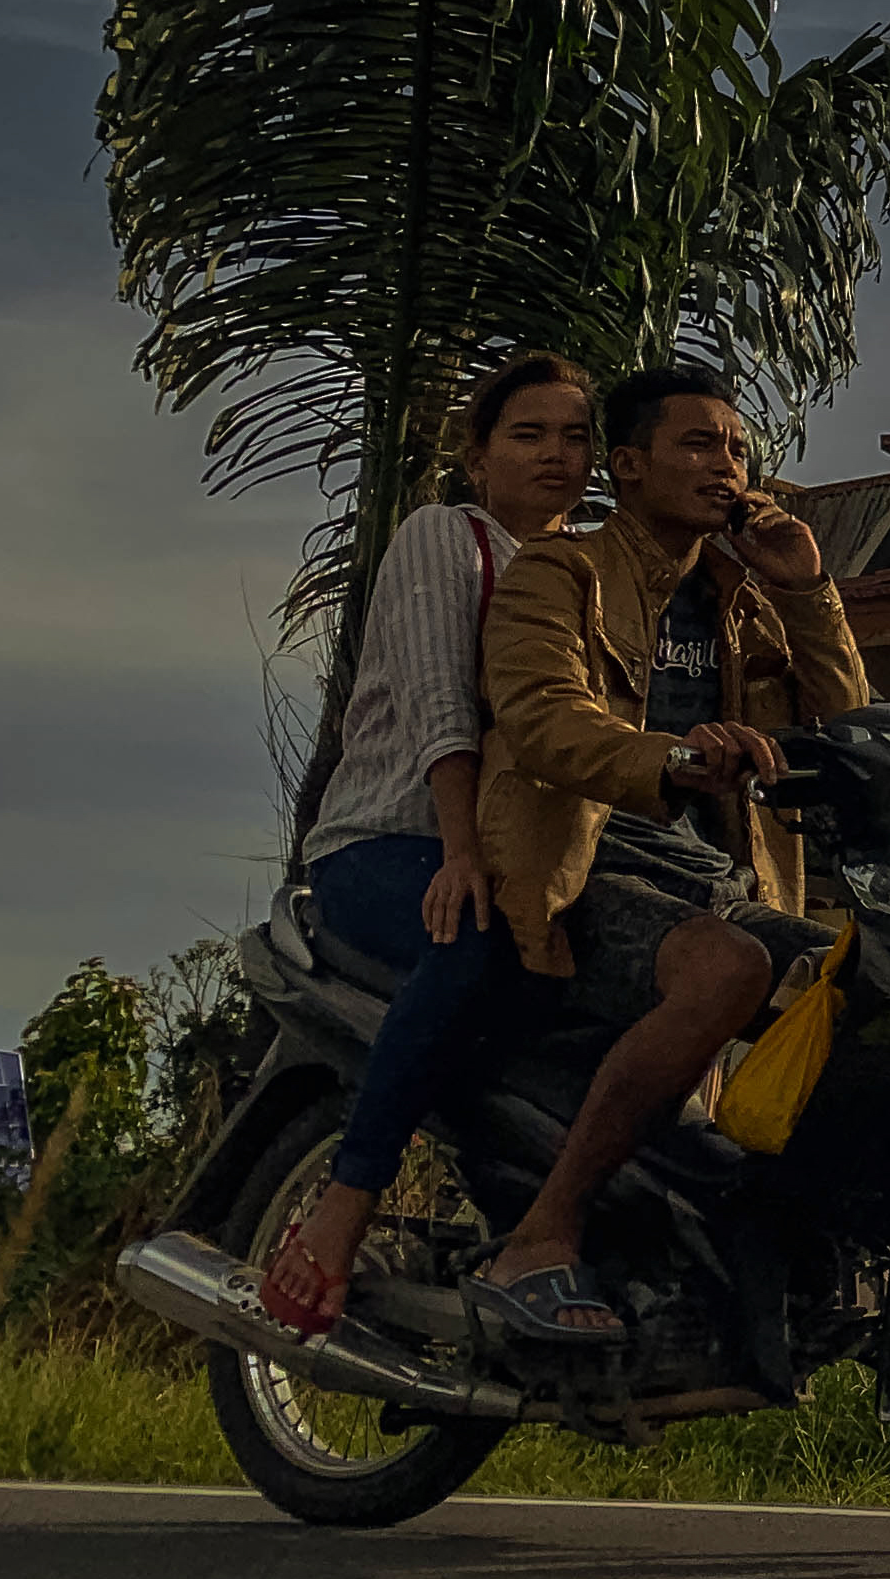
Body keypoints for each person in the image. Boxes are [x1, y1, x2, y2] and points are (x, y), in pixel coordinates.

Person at [464, 364, 870, 1341]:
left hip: (713, 879)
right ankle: (541, 1236)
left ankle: (765, 1247)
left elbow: (854, 722)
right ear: (630, 466)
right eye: (697, 444)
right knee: (727, 969)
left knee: (865, 985)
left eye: (736, 448)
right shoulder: (558, 576)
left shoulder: (743, 602)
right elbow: (540, 718)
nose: (724, 466)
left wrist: (808, 584)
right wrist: (673, 757)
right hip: (586, 868)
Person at [257, 352, 598, 1336]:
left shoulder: (584, 569)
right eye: (528, 434)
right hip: (386, 842)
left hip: (517, 854)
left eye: (575, 437)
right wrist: (458, 852)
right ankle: (342, 1207)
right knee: (473, 942)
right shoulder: (447, 537)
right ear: (478, 455)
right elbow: (437, 701)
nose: (555, 455)